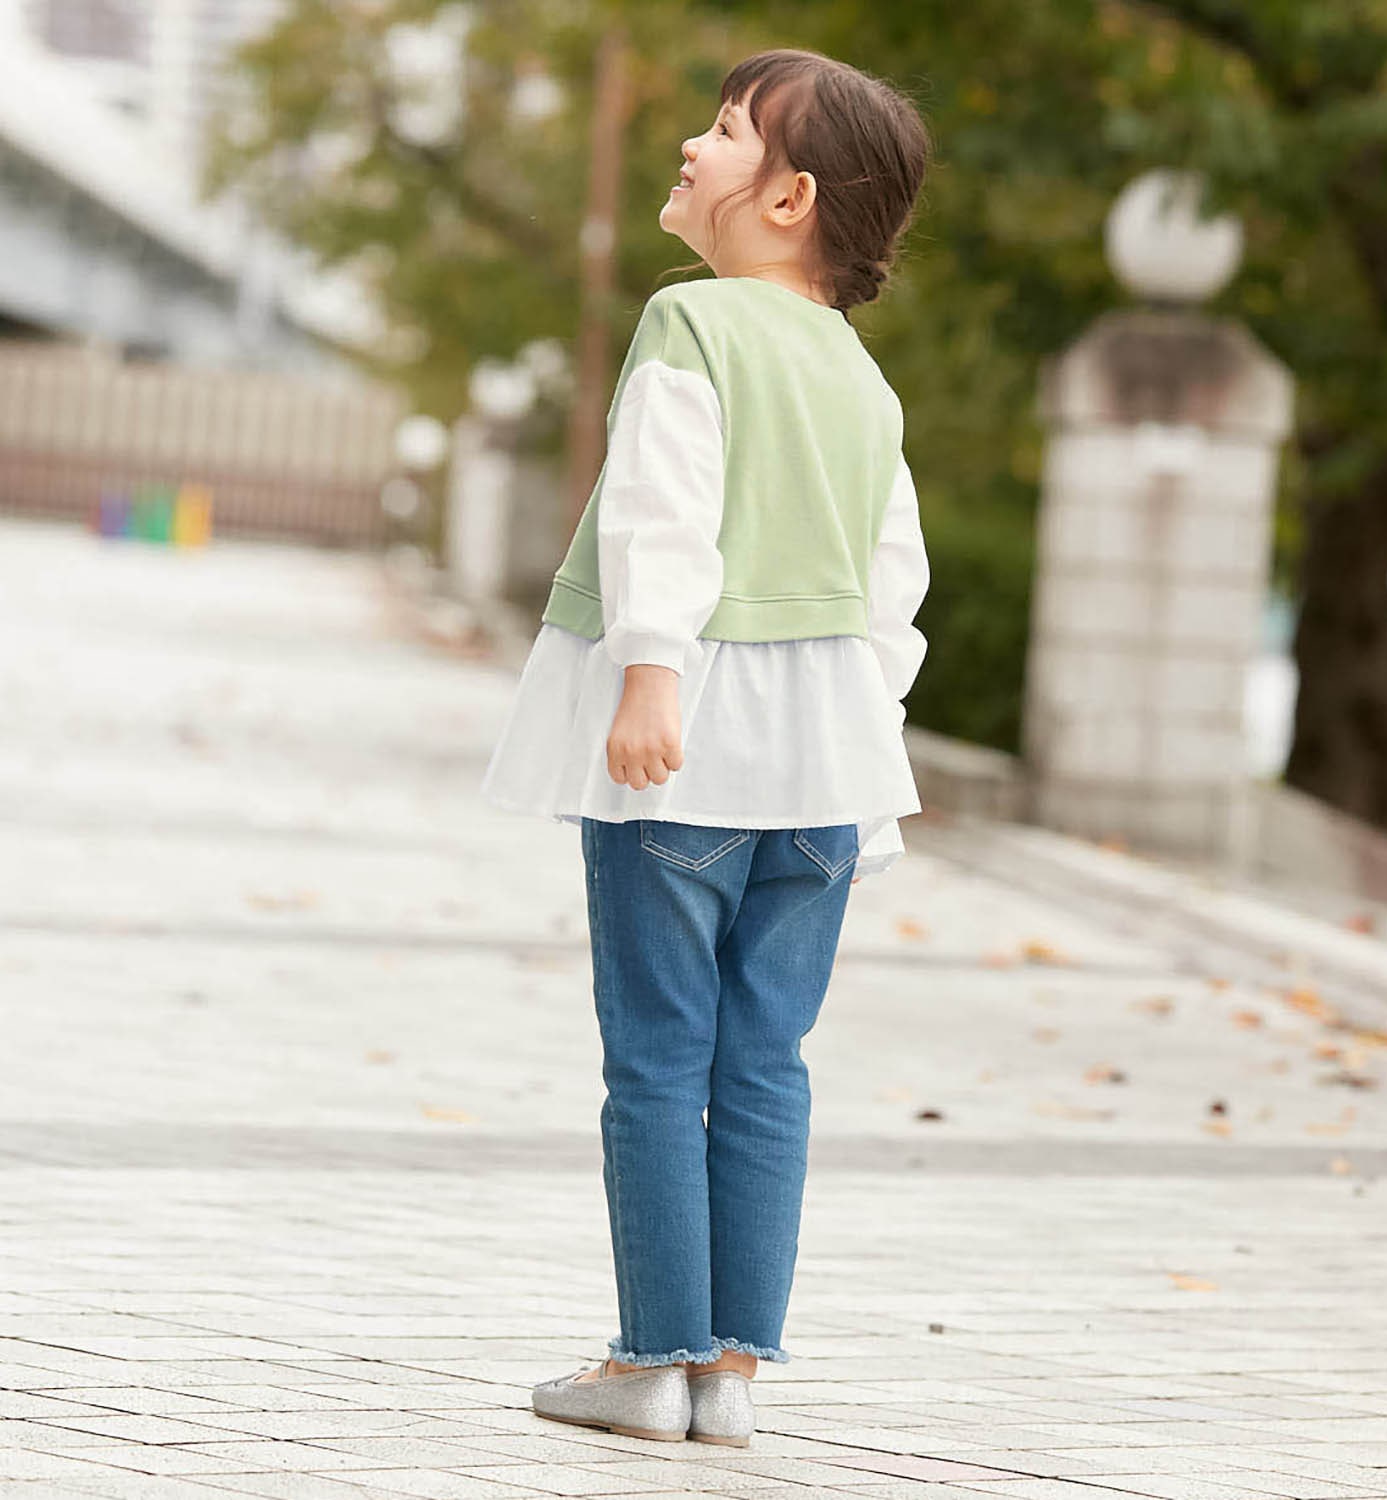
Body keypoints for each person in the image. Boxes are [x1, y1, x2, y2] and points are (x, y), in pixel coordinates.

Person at [480, 46, 932, 1446]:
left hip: (697, 752)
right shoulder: (862, 381)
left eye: (724, 131)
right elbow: (892, 591)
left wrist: (651, 677)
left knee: (661, 1054)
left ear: (787, 197)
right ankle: (728, 1377)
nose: (689, 144)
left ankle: (651, 1362)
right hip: (829, 765)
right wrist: (868, 729)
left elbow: (660, 520)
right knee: (764, 1058)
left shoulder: (695, 326)